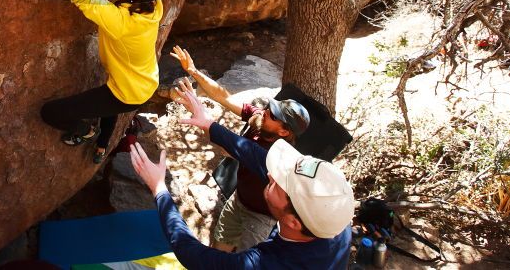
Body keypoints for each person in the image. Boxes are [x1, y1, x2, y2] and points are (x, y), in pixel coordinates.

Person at [5, 0, 166, 163]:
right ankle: (104, 145)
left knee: (52, 113)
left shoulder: (123, 22)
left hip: (129, 92)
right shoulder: (153, 3)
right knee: (111, 96)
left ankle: (86, 131)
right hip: (143, 80)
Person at [130, 83, 353, 269]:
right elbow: (255, 155)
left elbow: (193, 255)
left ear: (293, 221)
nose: (272, 175)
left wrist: (159, 189)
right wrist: (209, 124)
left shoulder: (263, 264)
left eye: (280, 183)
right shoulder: (333, 221)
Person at [170, 46, 311, 251]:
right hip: (239, 200)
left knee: (247, 262)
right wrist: (193, 71)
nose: (265, 112)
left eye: (273, 114)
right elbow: (224, 96)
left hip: (262, 217)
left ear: (283, 132)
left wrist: (199, 116)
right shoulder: (260, 121)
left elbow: (227, 149)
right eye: (269, 108)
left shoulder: (276, 157)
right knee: (220, 249)